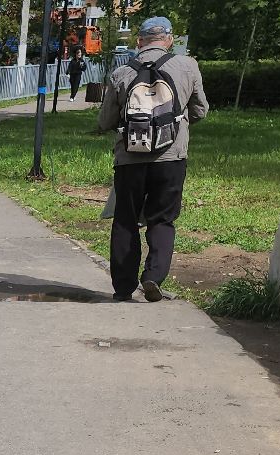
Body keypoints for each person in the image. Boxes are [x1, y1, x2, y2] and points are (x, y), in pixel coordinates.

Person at [96, 15, 208, 302]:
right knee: (163, 220)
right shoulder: (187, 66)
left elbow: (106, 120)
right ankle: (153, 277)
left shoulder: (121, 73)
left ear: (139, 41)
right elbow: (200, 111)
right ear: (169, 39)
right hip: (171, 157)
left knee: (125, 220)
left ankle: (123, 288)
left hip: (130, 158)